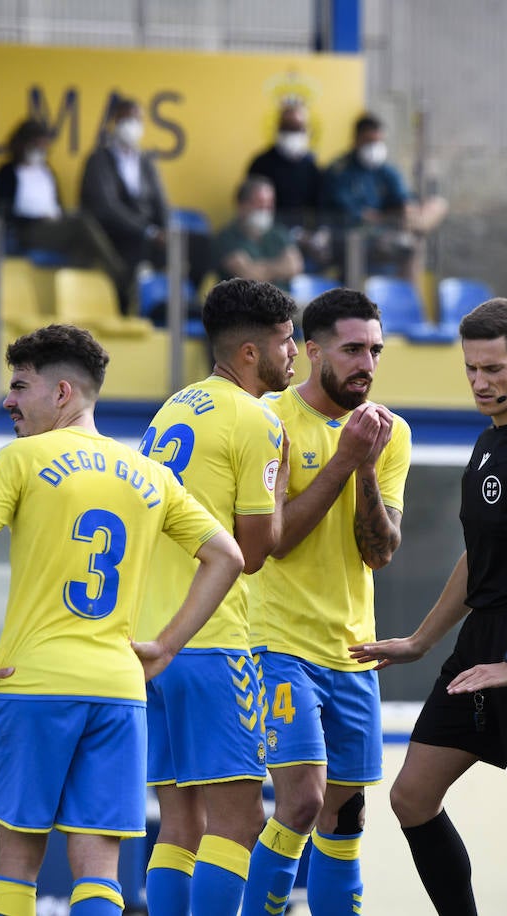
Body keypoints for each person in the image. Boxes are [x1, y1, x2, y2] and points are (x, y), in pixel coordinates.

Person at [0, 324, 245, 916]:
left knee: (17, 864)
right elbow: (226, 556)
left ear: (60, 394)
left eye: (19, 386)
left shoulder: (21, 458)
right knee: (101, 870)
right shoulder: (152, 476)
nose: (9, 400)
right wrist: (166, 647)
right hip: (119, 689)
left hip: (32, 684)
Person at [352, 298, 507, 916]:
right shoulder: (490, 444)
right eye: (471, 369)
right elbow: (476, 561)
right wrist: (420, 641)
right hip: (479, 645)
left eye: (494, 368)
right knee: (410, 796)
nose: (482, 382)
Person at [241, 288, 411, 916]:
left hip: (354, 652)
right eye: (352, 349)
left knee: (345, 815)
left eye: (375, 349)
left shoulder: (390, 433)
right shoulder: (270, 420)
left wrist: (365, 465)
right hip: (279, 643)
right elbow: (275, 542)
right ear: (313, 352)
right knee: (303, 801)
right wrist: (343, 461)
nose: (367, 362)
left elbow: (380, 550)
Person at [134, 278, 297, 916]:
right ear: (252, 353)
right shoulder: (256, 421)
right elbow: (255, 552)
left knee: (180, 826)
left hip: (154, 642)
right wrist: (281, 478)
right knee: (237, 825)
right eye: (287, 342)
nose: (295, 357)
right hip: (214, 642)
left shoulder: (172, 408)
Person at [0, 118, 132, 306]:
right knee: (82, 223)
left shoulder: (47, 171)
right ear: (23, 143)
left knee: (84, 248)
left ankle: (86, 302)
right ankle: (122, 276)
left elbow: (57, 204)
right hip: (28, 230)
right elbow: (2, 211)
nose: (40, 150)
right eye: (36, 144)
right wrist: (35, 217)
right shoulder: (7, 172)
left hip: (54, 226)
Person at [323, 112, 447, 286]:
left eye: (378, 141)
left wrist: (406, 210)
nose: (375, 147)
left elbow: (404, 199)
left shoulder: (385, 170)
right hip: (352, 240)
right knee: (407, 240)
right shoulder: (340, 170)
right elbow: (349, 212)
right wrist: (381, 217)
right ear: (356, 139)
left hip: (387, 233)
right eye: (369, 141)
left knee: (434, 209)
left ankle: (405, 302)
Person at [78, 98, 172, 314]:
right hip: (116, 233)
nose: (132, 124)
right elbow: (106, 207)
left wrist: (165, 231)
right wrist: (148, 231)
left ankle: (182, 308)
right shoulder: (99, 160)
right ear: (114, 122)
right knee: (136, 254)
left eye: (136, 119)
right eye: (125, 118)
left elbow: (160, 202)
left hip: (149, 234)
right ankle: (131, 303)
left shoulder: (146, 162)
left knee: (191, 246)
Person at [245, 102, 331, 267]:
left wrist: (318, 234)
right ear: (278, 128)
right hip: (267, 239)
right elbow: (253, 211)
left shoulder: (311, 167)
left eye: (297, 128)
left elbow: (321, 209)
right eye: (287, 127)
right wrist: (291, 234)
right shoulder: (261, 163)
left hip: (304, 241)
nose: (292, 133)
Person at [213, 177, 303, 289]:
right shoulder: (226, 238)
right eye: (260, 204)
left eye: (269, 204)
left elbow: (295, 267)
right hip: (242, 303)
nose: (265, 209)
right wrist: (280, 267)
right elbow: (249, 276)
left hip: (282, 302)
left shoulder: (278, 233)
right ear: (241, 205)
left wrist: (259, 268)